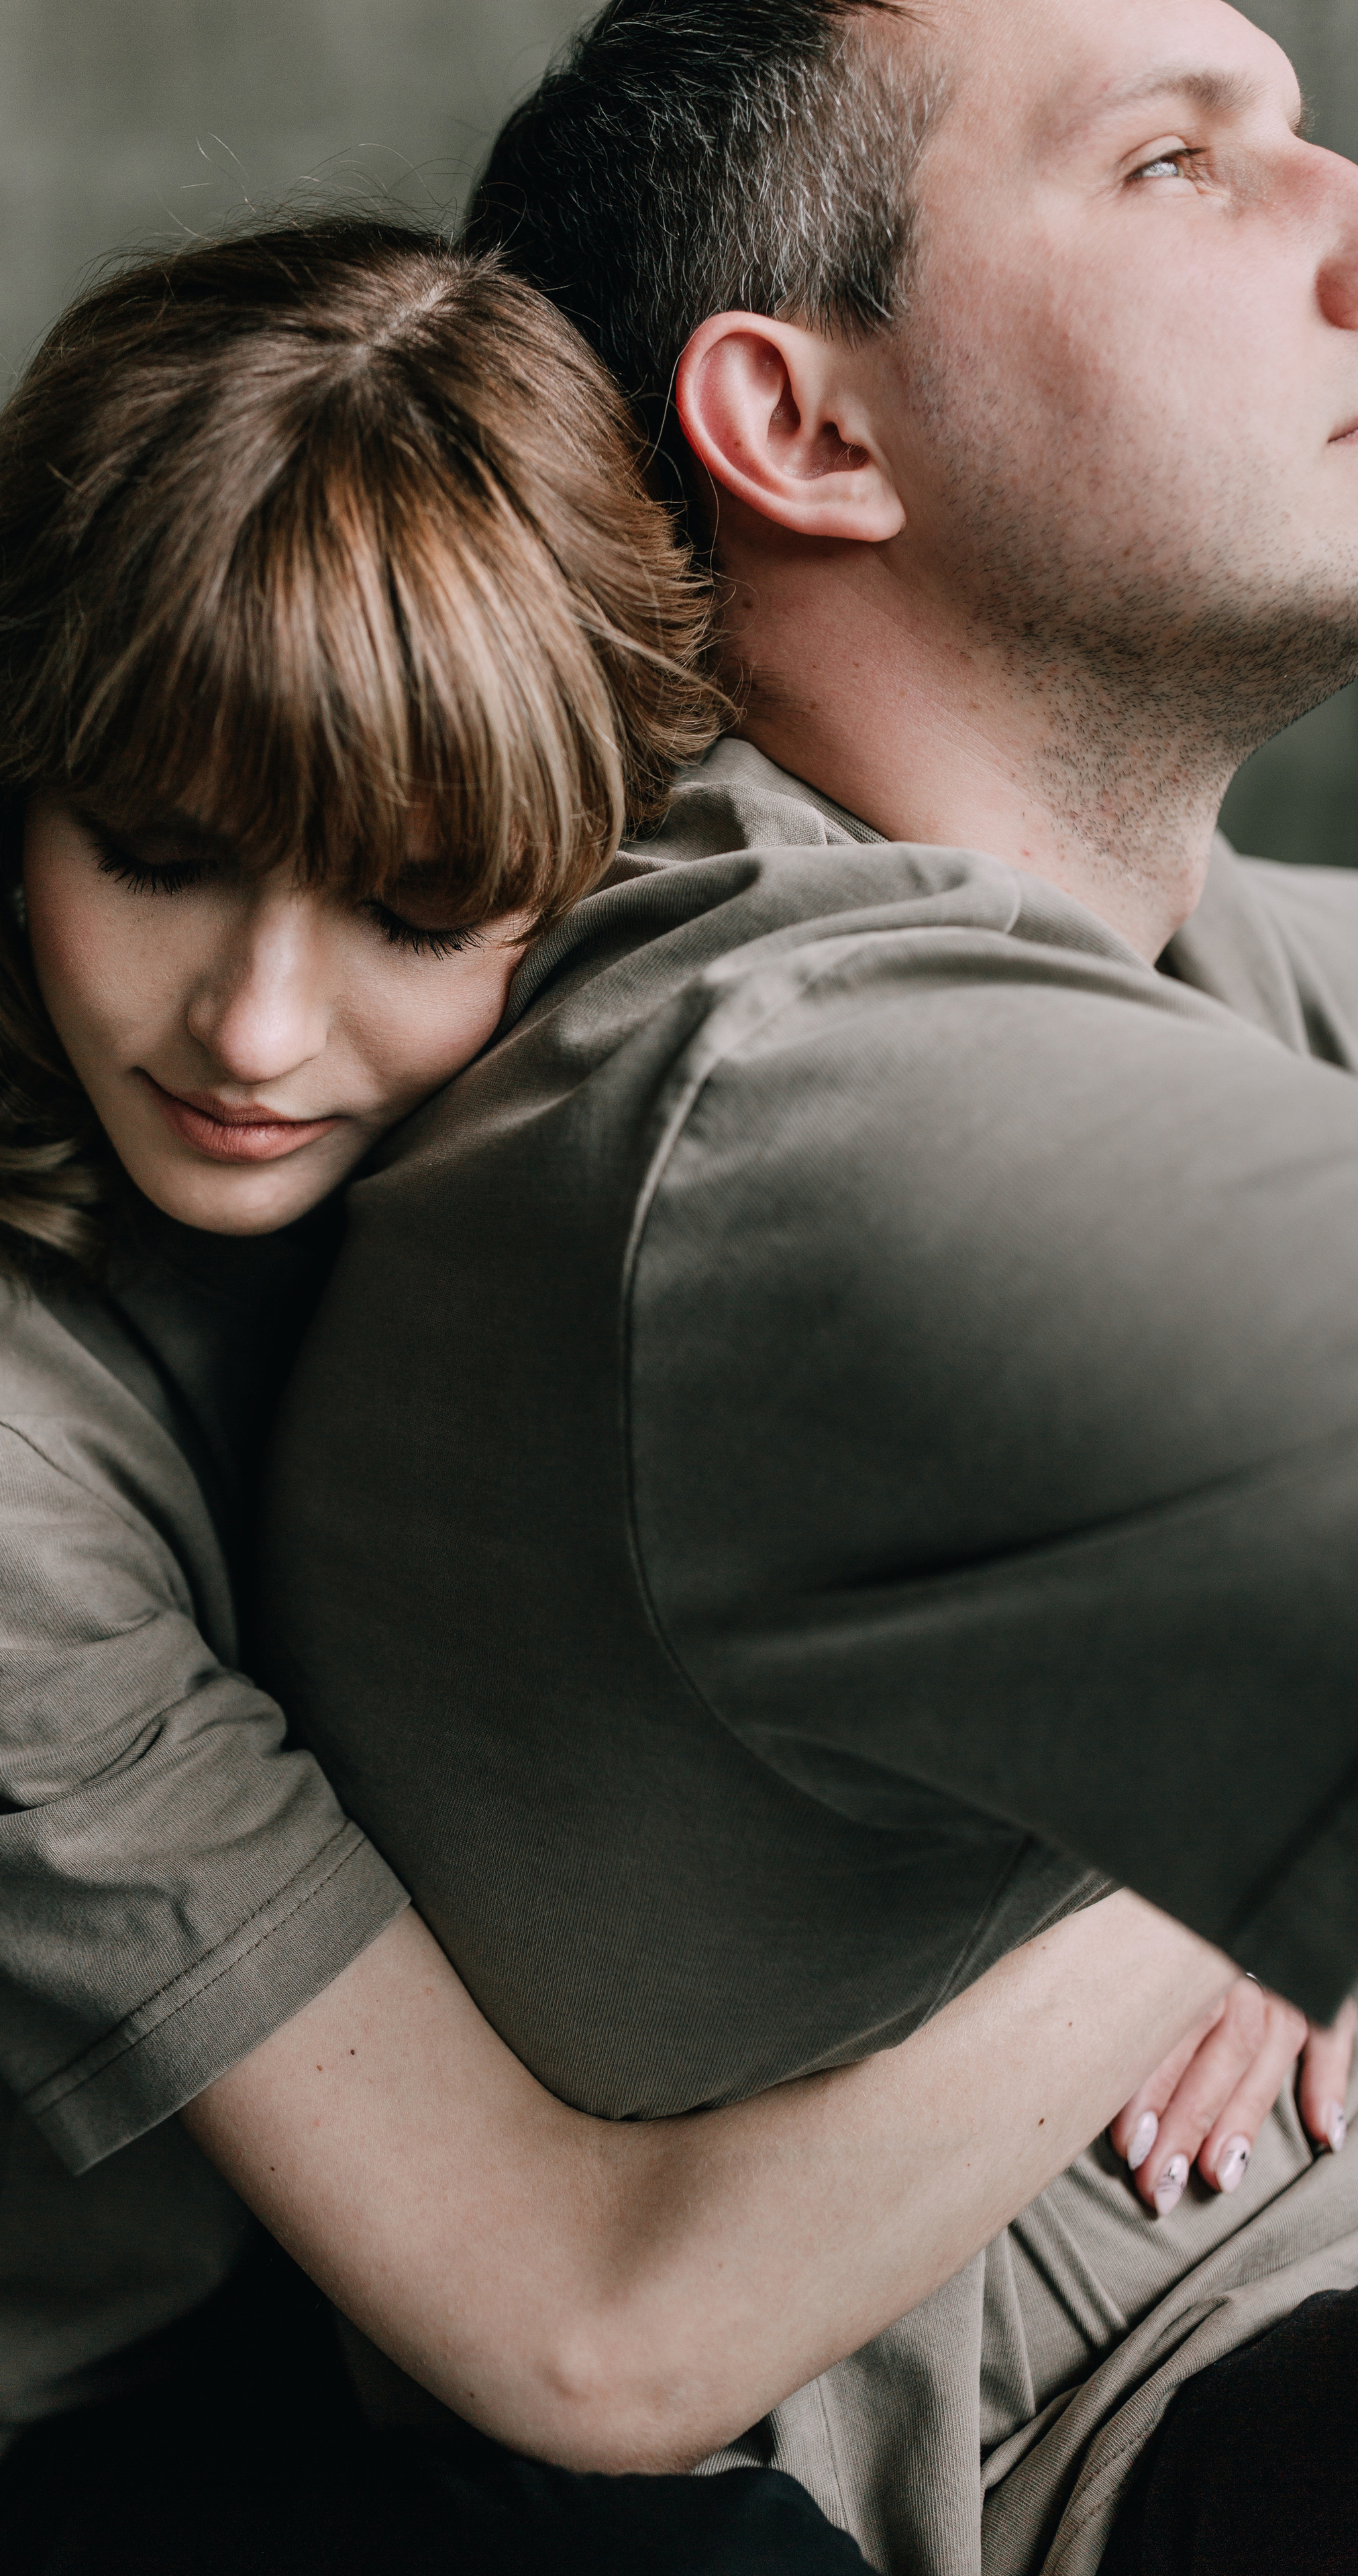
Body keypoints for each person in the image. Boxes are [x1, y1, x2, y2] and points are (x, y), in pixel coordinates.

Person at [0, 211, 1273, 2576]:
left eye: (417, 907)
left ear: (582, 854)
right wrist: (1239, 1875)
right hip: (115, 2405)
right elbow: (586, 2347)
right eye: (158, 855)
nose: (250, 1026)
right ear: (2, 795)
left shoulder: (681, 1002)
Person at [254, 5, 1358, 2572]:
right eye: (1180, 167)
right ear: (809, 431)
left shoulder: (1156, 943)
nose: (1347, 233)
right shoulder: (778, 1102)